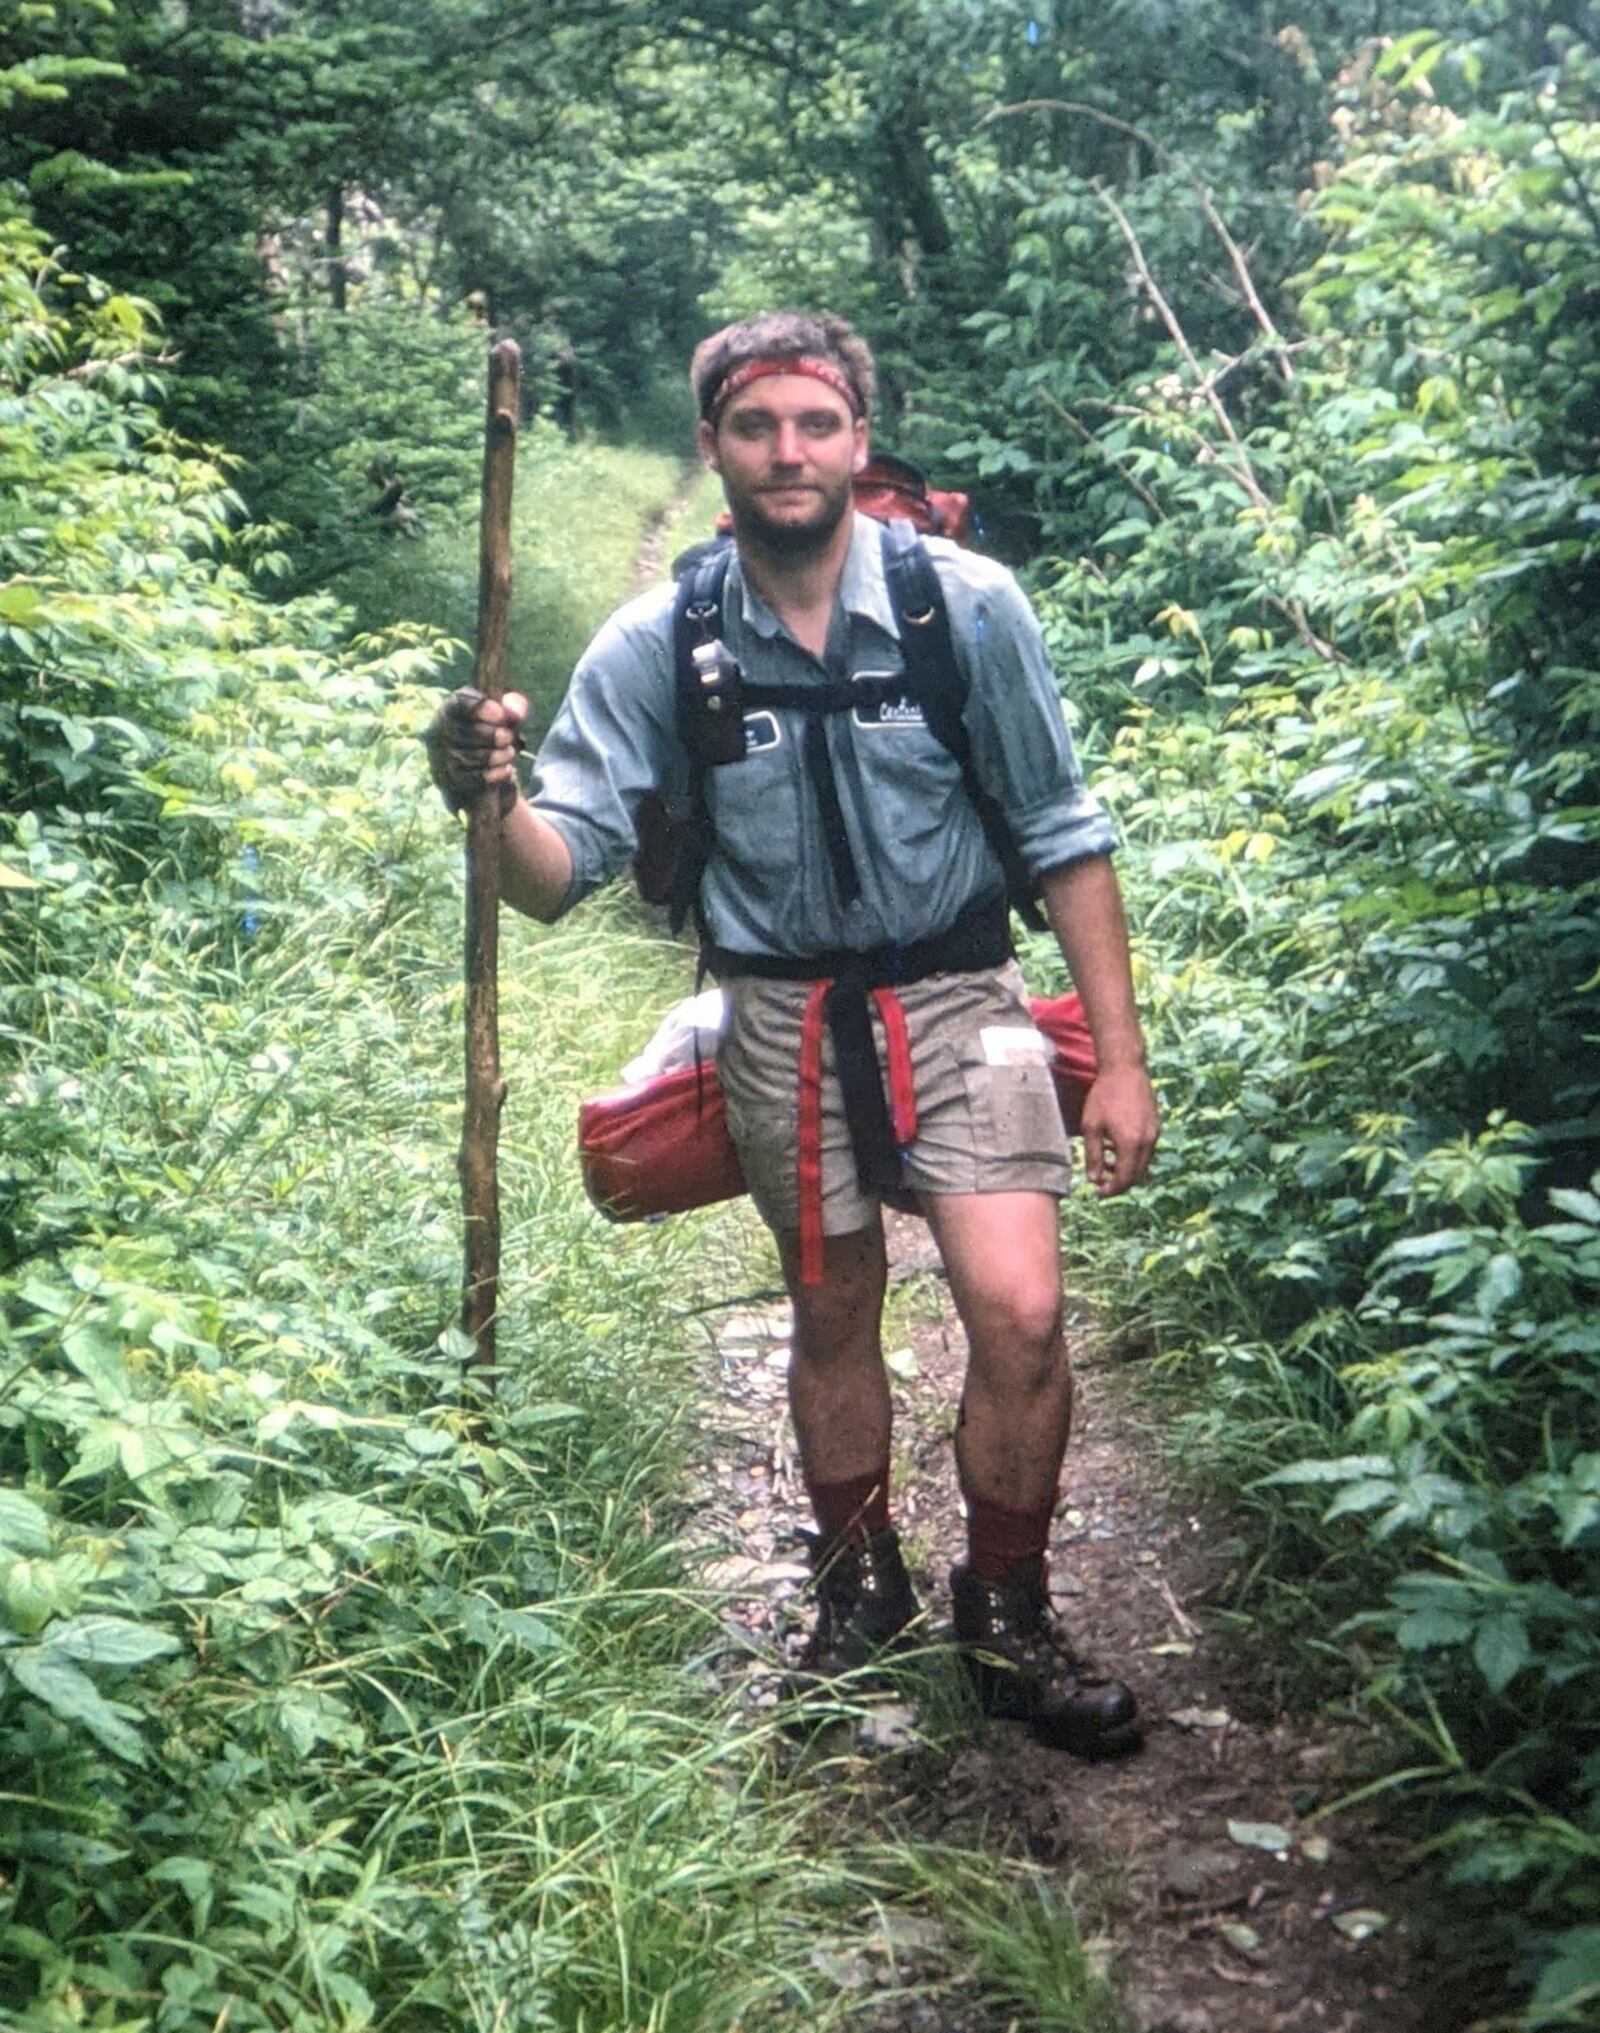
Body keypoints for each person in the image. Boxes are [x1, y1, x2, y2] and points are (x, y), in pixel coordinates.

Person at [426, 310, 1159, 1758]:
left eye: (815, 424)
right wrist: (484, 796)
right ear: (712, 449)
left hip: (965, 1001)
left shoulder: (968, 607)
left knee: (1015, 1309)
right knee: (831, 1309)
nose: (787, 451)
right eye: (755, 427)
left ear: (859, 441)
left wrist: (1122, 1060)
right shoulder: (665, 641)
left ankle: (1006, 1614)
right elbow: (558, 873)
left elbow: (1068, 837)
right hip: (779, 1018)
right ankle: (855, 1593)